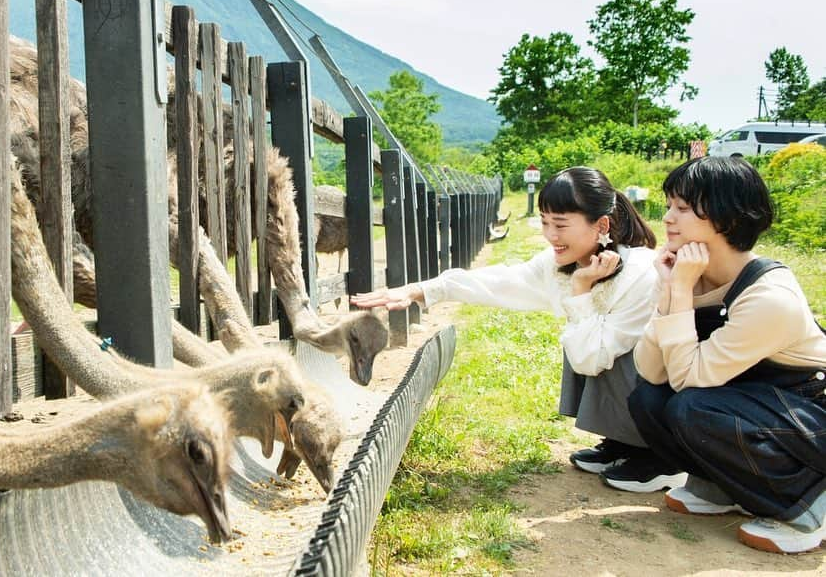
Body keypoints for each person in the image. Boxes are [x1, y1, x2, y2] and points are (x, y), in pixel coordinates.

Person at [352, 166, 683, 491]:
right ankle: (623, 442)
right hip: (618, 368)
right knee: (583, 333)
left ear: (601, 225)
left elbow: (590, 359)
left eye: (561, 225)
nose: (551, 236)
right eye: (545, 223)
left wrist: (582, 291)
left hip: (664, 394)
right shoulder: (562, 264)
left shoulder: (639, 273)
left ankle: (659, 457)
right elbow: (502, 281)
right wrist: (422, 290)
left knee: (587, 339)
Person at [627, 156, 826, 554]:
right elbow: (650, 370)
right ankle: (721, 485)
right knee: (648, 399)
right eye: (669, 205)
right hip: (748, 399)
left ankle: (810, 502)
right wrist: (671, 293)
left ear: (729, 220)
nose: (668, 218)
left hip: (807, 415)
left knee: (692, 407)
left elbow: (687, 380)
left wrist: (680, 293)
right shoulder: (686, 276)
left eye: (683, 208)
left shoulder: (770, 298)